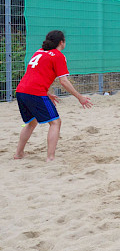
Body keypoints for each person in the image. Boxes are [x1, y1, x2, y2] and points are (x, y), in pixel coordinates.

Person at [14, 30, 93, 161]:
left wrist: (47, 93)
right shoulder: (58, 56)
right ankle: (50, 157)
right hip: (35, 92)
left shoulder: (39, 52)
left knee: (31, 123)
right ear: (62, 42)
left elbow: (36, 74)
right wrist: (80, 97)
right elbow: (64, 81)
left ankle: (19, 154)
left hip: (21, 91)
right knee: (56, 122)